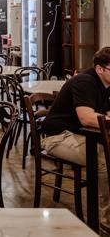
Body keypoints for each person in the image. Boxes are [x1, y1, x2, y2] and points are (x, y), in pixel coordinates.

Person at [41, 47, 110, 230]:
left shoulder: (106, 85)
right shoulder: (85, 82)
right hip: (57, 137)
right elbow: (86, 117)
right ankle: (106, 219)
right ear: (100, 69)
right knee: (101, 158)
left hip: (81, 135)